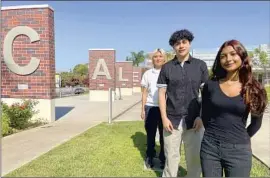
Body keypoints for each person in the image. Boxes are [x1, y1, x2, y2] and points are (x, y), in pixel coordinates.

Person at [200, 39, 268, 177]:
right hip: (210, 147)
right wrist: (214, 135)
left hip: (239, 151)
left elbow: (256, 124)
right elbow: (205, 115)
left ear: (242, 56)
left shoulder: (254, 89)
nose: (228, 59)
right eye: (223, 56)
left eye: (233, 54)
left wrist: (239, 139)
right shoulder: (210, 85)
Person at [157, 29, 209, 177]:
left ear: (189, 43)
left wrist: (201, 116)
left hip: (194, 120)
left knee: (194, 159)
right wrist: (164, 118)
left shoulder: (200, 66)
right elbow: (161, 94)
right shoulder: (167, 67)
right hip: (171, 120)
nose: (181, 46)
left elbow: (206, 95)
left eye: (184, 42)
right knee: (171, 158)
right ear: (173, 47)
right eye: (177, 43)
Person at [141, 48, 167, 169]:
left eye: (160, 56)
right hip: (150, 107)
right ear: (152, 59)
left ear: (164, 58)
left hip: (165, 108)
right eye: (155, 56)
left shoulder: (168, 72)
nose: (158, 58)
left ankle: (163, 158)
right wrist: (142, 109)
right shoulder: (147, 74)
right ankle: (150, 156)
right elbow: (144, 93)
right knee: (150, 135)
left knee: (164, 135)